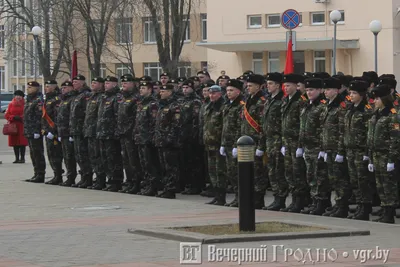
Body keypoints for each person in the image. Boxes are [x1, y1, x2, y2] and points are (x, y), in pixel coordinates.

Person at [5, 90, 28, 163]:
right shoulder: (11, 104)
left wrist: (21, 117)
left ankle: (22, 158)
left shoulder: (25, 104)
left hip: (22, 125)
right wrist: (13, 117)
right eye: (16, 95)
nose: (18, 97)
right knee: (14, 142)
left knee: (22, 142)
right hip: (13, 125)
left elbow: (27, 114)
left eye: (19, 96)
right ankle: (17, 158)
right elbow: (7, 114)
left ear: (22, 97)